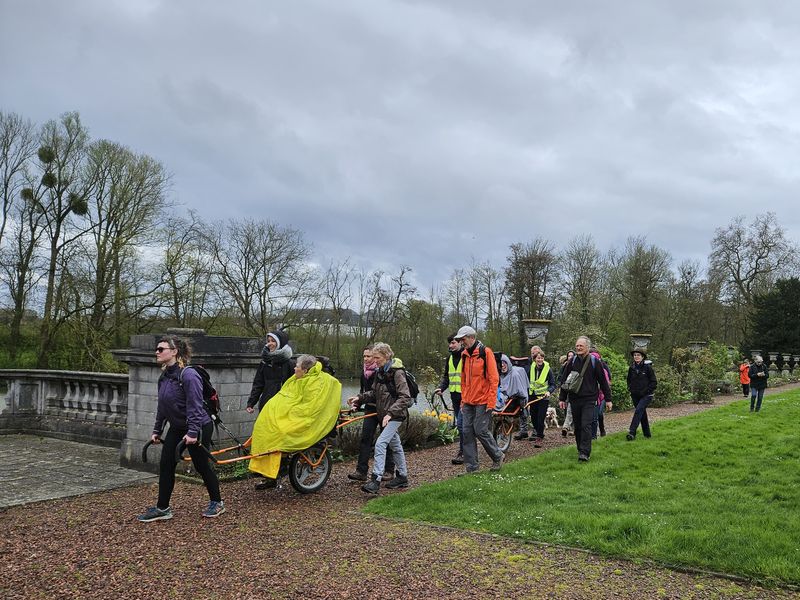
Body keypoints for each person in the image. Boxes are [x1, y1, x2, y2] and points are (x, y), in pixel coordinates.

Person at [137, 336, 224, 522]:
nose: (157, 352)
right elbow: (163, 406)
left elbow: (195, 406)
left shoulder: (189, 375)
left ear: (174, 352)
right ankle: (163, 508)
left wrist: (192, 433)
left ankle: (217, 502)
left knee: (201, 465)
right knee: (166, 464)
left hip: (199, 425)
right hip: (177, 427)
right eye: (157, 349)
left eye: (161, 349)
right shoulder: (164, 376)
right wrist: (157, 430)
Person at [249, 355, 342, 484]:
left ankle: (279, 467)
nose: (294, 368)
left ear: (305, 370)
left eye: (297, 366)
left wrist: (288, 412)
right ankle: (265, 469)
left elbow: (310, 408)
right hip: (286, 415)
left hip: (304, 419)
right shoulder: (296, 379)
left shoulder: (317, 382)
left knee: (280, 433)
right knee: (263, 427)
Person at [348, 342, 412, 494]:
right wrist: (359, 398)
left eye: (377, 357)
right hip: (385, 415)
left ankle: (375, 480)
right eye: (374, 357)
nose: (374, 360)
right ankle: (402, 476)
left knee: (381, 443)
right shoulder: (380, 372)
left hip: (395, 416)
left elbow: (405, 397)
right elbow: (374, 393)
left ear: (387, 356)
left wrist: (390, 413)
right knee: (395, 445)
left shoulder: (397, 373)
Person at [246, 329, 296, 489]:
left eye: (273, 341)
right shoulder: (265, 361)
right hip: (267, 404)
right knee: (265, 438)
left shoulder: (289, 363)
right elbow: (258, 383)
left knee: (278, 441)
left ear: (280, 342)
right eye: (268, 340)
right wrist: (251, 402)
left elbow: (294, 387)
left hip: (282, 406)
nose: (269, 344)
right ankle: (268, 476)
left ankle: (281, 471)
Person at [454, 325, 504, 474]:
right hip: (468, 401)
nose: (461, 342)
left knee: (480, 430)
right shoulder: (464, 355)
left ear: (471, 337)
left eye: (463, 339)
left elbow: (494, 379)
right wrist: (463, 400)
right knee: (467, 432)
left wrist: (491, 401)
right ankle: (472, 468)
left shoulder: (485, 352)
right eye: (460, 340)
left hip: (483, 400)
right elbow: (463, 380)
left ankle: (498, 455)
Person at [558, 336, 612, 462]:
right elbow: (565, 380)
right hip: (574, 399)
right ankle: (580, 448)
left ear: (587, 347)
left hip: (589, 399)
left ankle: (585, 453)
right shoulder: (571, 362)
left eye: (581, 346)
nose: (578, 348)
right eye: (577, 346)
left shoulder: (595, 362)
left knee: (586, 425)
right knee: (577, 426)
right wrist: (562, 398)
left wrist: (608, 399)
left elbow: (603, 382)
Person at [347, 345, 396, 482]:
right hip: (370, 408)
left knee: (386, 440)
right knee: (365, 438)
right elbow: (364, 391)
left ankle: (389, 470)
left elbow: (380, 393)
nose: (366, 359)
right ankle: (361, 471)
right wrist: (357, 402)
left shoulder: (382, 371)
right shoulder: (364, 373)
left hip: (384, 410)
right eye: (365, 356)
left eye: (369, 356)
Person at [434, 334, 465, 465]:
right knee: (463, 426)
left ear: (460, 343)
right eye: (450, 343)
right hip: (455, 397)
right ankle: (466, 451)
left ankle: (463, 453)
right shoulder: (450, 359)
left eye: (453, 343)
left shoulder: (467, 357)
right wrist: (441, 388)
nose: (450, 345)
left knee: (461, 426)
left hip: (467, 398)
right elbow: (447, 377)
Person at [625, 349, 657, 440]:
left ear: (642, 357)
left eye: (638, 355)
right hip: (635, 395)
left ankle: (632, 432)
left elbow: (654, 382)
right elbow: (629, 380)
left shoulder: (648, 368)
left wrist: (646, 391)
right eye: (635, 355)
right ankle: (647, 435)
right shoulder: (632, 368)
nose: (636, 357)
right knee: (642, 414)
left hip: (647, 395)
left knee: (638, 411)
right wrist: (630, 389)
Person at [528, 350, 556, 448]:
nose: (540, 360)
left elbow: (553, 384)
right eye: (538, 358)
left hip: (543, 397)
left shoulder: (548, 369)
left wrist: (549, 391)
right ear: (535, 359)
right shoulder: (531, 368)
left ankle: (539, 437)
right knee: (533, 417)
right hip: (532, 396)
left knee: (540, 418)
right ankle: (539, 432)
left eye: (542, 358)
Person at [513, 345, 541, 440]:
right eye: (533, 353)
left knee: (535, 413)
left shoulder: (542, 364)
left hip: (537, 392)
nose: (534, 355)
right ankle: (523, 431)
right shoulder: (526, 363)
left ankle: (536, 431)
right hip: (525, 390)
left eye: (536, 353)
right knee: (522, 410)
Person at [498, 354, 529, 433]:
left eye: (504, 363)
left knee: (523, 409)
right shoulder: (499, 375)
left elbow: (519, 390)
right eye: (500, 363)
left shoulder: (514, 374)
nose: (502, 365)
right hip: (503, 397)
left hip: (516, 399)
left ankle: (523, 430)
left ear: (507, 363)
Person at [590, 348, 612, 439]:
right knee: (592, 416)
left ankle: (601, 429)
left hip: (602, 395)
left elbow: (607, 381)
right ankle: (592, 436)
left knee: (598, 414)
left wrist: (607, 397)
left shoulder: (604, 368)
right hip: (592, 396)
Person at [559, 351, 575, 437]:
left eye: (572, 356)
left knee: (572, 410)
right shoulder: (565, 366)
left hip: (575, 391)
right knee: (569, 410)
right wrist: (562, 397)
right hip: (568, 390)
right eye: (569, 356)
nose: (570, 357)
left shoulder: (576, 364)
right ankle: (567, 427)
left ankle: (568, 427)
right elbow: (561, 378)